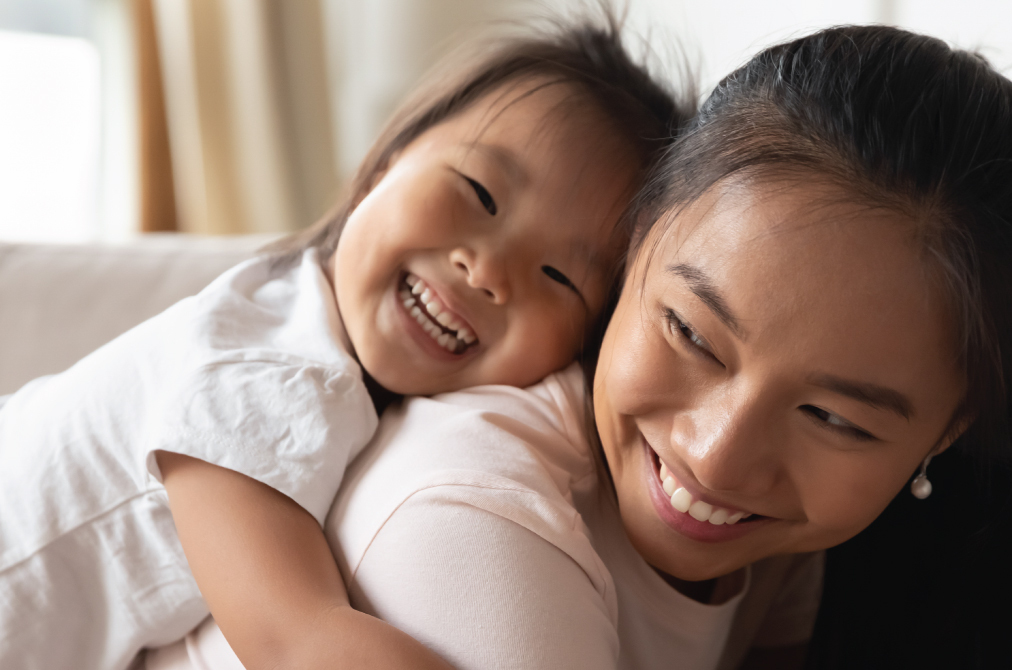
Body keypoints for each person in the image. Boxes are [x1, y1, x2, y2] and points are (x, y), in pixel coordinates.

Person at [150, 23, 1012, 670]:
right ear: (629, 246)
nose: (717, 455)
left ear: (947, 429)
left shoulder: (824, 551)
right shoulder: (474, 517)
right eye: (690, 333)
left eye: (833, 418)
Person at [0, 19, 688, 670]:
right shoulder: (268, 375)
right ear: (384, 163)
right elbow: (297, 638)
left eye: (559, 275)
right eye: (479, 192)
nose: (488, 272)